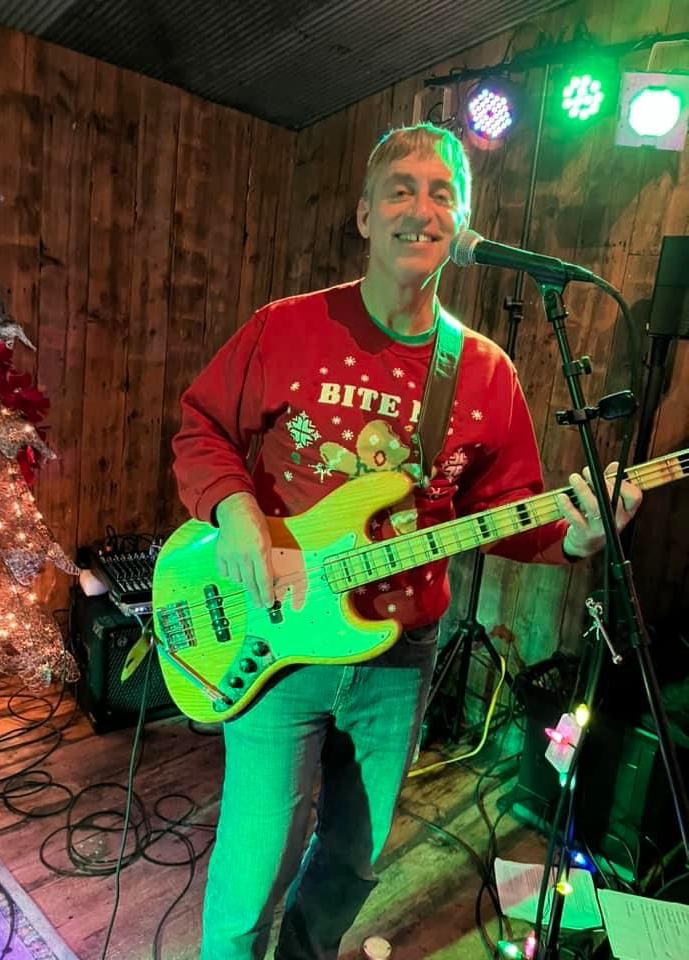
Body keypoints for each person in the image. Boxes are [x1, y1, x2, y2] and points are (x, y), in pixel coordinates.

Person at [172, 122, 642, 960]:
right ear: (364, 215)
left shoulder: (484, 370)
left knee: (351, 860)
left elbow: (508, 509)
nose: (420, 209)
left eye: (441, 195)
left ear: (460, 227)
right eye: (400, 190)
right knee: (253, 867)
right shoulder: (287, 327)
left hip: (399, 659)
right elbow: (201, 427)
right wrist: (237, 513)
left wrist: (574, 541)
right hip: (278, 637)